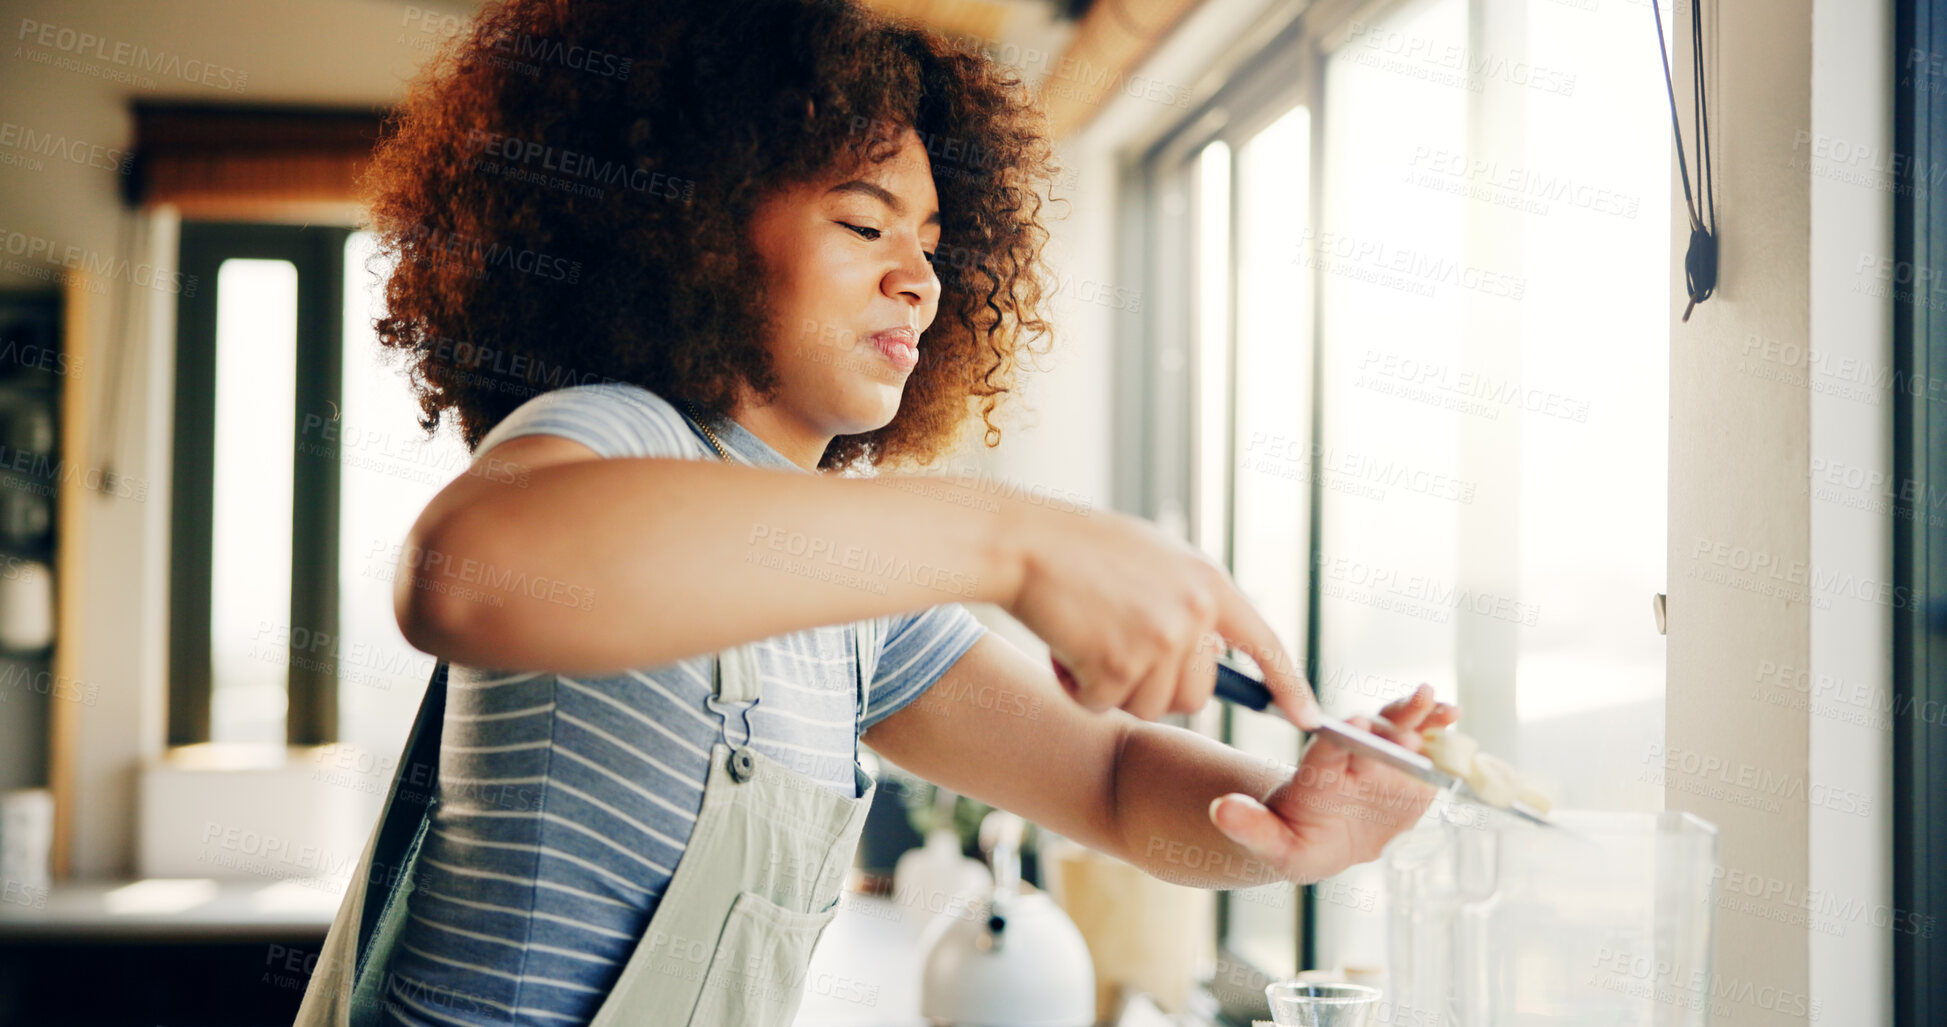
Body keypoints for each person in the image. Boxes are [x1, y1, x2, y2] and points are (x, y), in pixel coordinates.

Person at [341, 0, 1459, 1023]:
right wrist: (1011, 539)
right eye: (866, 225)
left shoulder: (850, 598)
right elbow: (469, 570)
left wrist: (1292, 817)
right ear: (699, 222)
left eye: (930, 241)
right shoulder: (618, 431)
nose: (922, 279)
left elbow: (1113, 780)